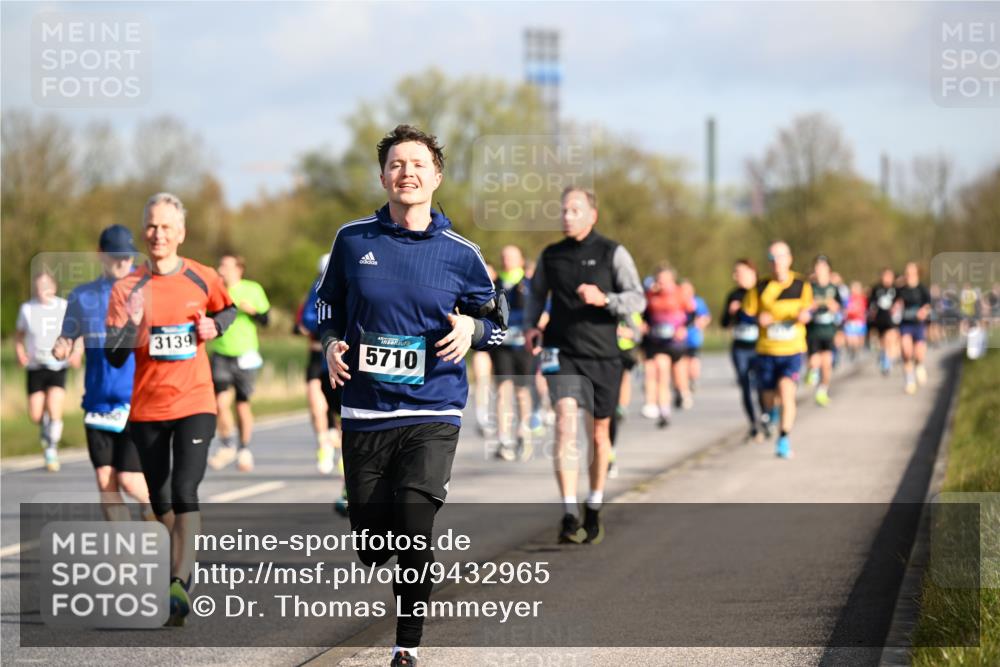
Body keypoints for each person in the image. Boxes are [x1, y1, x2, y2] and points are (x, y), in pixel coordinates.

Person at [316, 125, 507, 667]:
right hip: (364, 411)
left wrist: (472, 329)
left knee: (415, 524)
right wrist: (331, 345)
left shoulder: (461, 253)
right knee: (375, 543)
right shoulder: (353, 240)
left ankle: (407, 646)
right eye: (397, 164)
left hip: (433, 408)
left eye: (418, 164)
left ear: (436, 176)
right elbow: (327, 308)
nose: (408, 173)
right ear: (383, 177)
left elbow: (499, 320)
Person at [105, 192, 236, 627]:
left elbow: (229, 310)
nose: (158, 234)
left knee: (185, 489)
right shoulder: (127, 288)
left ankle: (179, 580)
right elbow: (117, 356)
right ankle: (177, 569)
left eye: (166, 227)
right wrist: (132, 323)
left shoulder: (202, 277)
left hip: (196, 401)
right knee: (160, 499)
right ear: (144, 231)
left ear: (180, 233)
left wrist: (215, 325)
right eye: (151, 226)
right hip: (147, 408)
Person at [524, 186, 645, 545]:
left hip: (604, 355)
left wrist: (604, 298)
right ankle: (567, 511)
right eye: (563, 210)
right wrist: (532, 325)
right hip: (562, 351)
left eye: (575, 210)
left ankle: (593, 504)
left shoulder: (613, 253)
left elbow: (637, 298)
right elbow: (535, 295)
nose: (567, 216)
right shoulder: (551, 255)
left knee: (598, 434)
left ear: (593, 215)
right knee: (564, 423)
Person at [52, 225, 151, 518]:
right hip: (97, 401)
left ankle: (161, 514)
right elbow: (68, 335)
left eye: (128, 257)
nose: (123, 262)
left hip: (135, 400)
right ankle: (124, 556)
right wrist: (62, 346)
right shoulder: (82, 296)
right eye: (116, 256)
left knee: (130, 479)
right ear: (100, 255)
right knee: (105, 482)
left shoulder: (144, 291)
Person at [742, 241, 813, 459]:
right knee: (768, 396)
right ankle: (771, 413)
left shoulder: (802, 284)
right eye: (772, 259)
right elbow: (747, 313)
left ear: (789, 259)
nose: (776, 264)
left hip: (792, 350)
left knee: (787, 392)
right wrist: (757, 319)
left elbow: (808, 309)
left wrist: (805, 316)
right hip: (766, 350)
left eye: (780, 258)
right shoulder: (761, 287)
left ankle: (783, 438)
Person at [206, 254, 271, 473]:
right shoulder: (215, 288)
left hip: (246, 354)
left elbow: (266, 320)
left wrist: (252, 311)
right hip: (221, 353)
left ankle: (244, 448)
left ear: (238, 269)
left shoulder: (252, 289)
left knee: (242, 404)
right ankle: (227, 445)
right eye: (220, 264)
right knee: (220, 403)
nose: (220, 268)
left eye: (225, 265)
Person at [15, 269, 77, 471]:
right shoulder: (27, 309)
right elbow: (18, 336)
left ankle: (51, 449)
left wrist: (75, 353)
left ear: (54, 287)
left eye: (47, 286)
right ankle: (45, 428)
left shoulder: (63, 307)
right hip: (35, 366)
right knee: (35, 414)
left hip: (57, 365)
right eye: (40, 287)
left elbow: (77, 333)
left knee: (54, 405)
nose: (44, 290)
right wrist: (20, 353)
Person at [490, 245, 536, 462]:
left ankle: (523, 433)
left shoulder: (528, 284)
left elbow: (539, 310)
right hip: (502, 345)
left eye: (511, 257)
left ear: (520, 260)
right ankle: (503, 439)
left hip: (523, 346)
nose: (507, 260)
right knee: (502, 389)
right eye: (504, 256)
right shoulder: (495, 283)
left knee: (521, 391)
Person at [641, 265, 692, 426]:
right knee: (661, 371)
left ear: (672, 280)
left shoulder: (680, 293)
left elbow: (692, 314)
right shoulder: (650, 295)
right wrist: (644, 325)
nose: (662, 284)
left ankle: (681, 392)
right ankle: (664, 410)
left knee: (678, 375)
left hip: (676, 342)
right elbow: (644, 314)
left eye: (665, 281)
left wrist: (684, 328)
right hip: (658, 341)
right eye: (659, 281)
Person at [721, 258, 764, 442]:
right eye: (735, 273)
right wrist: (731, 313)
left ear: (752, 272)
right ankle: (753, 424)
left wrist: (751, 315)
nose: (736, 276)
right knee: (745, 386)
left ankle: (766, 416)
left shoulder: (762, 291)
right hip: (740, 347)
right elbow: (723, 323)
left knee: (763, 384)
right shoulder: (733, 295)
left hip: (760, 345)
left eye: (740, 272)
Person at [609, 310, 643, 477]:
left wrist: (625, 332)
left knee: (610, 409)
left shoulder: (625, 305)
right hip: (591, 357)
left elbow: (638, 331)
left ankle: (610, 455)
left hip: (621, 354)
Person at [805, 255, 839, 406]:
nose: (819, 270)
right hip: (813, 331)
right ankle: (811, 372)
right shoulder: (809, 288)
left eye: (823, 267)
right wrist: (810, 307)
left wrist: (835, 308)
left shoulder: (834, 288)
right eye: (817, 267)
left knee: (827, 364)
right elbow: (802, 307)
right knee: (814, 361)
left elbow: (843, 308)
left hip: (829, 331)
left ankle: (822, 391)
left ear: (828, 270)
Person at [896, 262, 932, 395]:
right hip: (905, 323)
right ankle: (910, 382)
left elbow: (928, 304)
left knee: (918, 354)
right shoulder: (901, 289)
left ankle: (919, 365)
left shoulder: (922, 289)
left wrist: (924, 310)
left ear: (917, 272)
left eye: (911, 271)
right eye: (907, 271)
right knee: (906, 352)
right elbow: (894, 302)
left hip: (918, 324)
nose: (909, 273)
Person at [680, 278, 711, 396]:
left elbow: (706, 316)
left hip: (693, 337)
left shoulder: (698, 302)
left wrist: (701, 323)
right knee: (682, 361)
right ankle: (683, 384)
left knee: (693, 360)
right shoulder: (676, 301)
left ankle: (693, 380)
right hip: (679, 337)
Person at [869, 268, 900, 376]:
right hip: (879, 319)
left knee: (890, 338)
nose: (887, 279)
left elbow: (900, 302)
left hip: (891, 319)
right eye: (885, 276)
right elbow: (871, 303)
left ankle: (887, 361)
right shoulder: (876, 288)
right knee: (882, 341)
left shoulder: (896, 289)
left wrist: (897, 307)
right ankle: (884, 356)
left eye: (889, 276)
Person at [844, 280, 869, 360]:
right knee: (850, 340)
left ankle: (856, 351)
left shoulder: (863, 299)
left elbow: (867, 309)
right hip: (850, 322)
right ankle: (851, 351)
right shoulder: (848, 299)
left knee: (859, 342)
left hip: (860, 322)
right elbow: (845, 309)